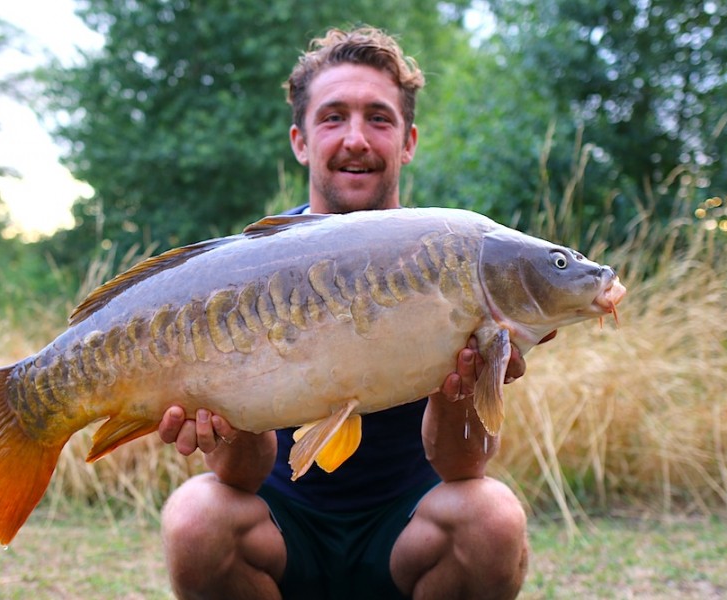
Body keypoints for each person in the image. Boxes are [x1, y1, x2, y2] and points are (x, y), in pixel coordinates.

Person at [158, 27, 532, 600]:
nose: (356, 138)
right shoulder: (251, 267)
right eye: (333, 117)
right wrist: (218, 417)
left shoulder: (456, 260)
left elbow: (462, 471)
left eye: (378, 119)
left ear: (407, 142)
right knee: (196, 515)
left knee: (492, 518)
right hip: (284, 536)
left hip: (407, 538)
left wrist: (468, 381)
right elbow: (239, 478)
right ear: (300, 140)